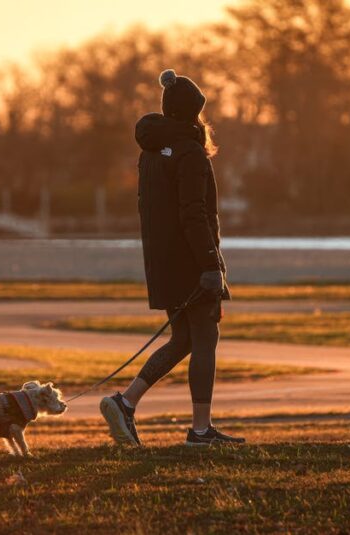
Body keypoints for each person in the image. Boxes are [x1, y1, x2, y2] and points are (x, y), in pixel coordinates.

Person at [100, 69, 245, 447]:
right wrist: (212, 266)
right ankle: (200, 430)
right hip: (192, 264)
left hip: (162, 263)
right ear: (192, 113)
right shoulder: (190, 153)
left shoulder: (150, 153)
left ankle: (125, 402)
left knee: (182, 339)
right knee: (205, 337)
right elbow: (194, 215)